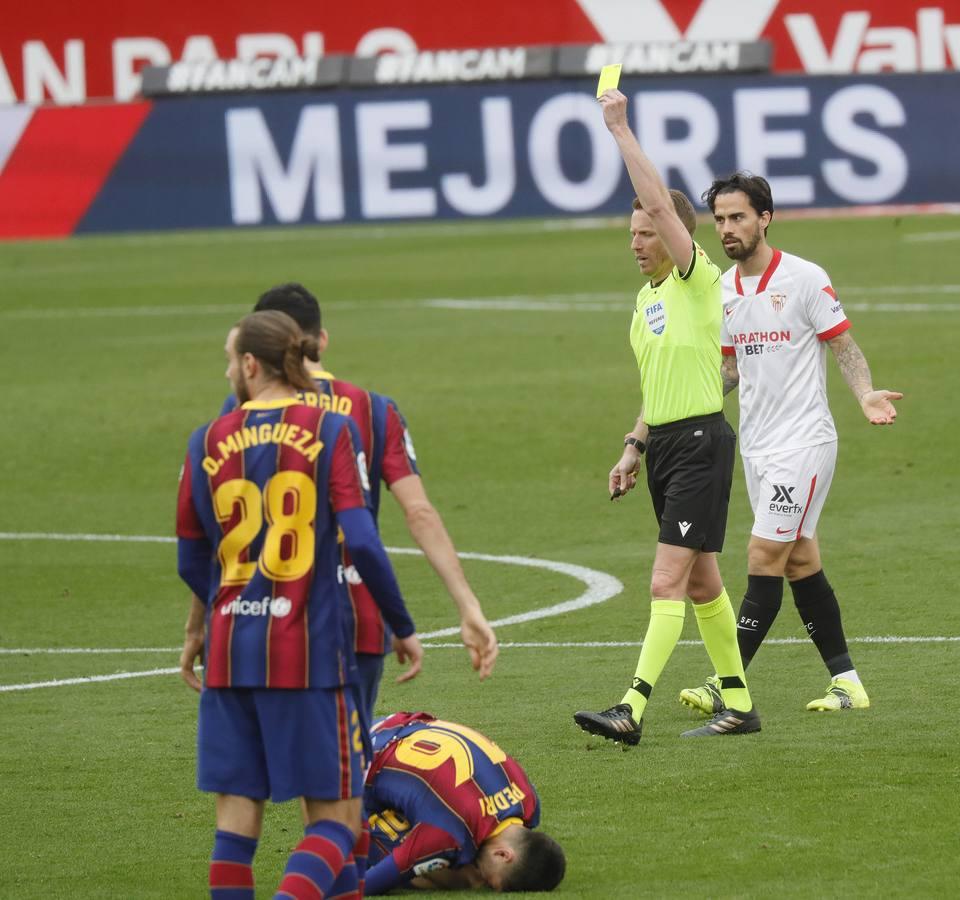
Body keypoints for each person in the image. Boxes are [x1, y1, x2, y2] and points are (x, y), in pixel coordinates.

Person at [176, 310, 425, 899]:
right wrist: (401, 623)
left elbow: (191, 556)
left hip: (231, 649)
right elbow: (361, 540)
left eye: (229, 358)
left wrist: (221, 608)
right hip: (308, 650)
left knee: (235, 827)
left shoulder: (206, 438)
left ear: (250, 364)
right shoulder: (328, 429)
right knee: (336, 818)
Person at [572, 88, 758, 744]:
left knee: (666, 580)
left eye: (647, 231)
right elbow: (660, 388)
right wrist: (633, 446)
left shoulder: (694, 277)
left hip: (704, 443)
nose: (637, 242)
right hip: (671, 448)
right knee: (704, 582)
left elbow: (657, 197)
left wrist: (620, 130)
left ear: (674, 234)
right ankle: (738, 703)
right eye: (632, 234)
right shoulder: (644, 303)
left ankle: (632, 706)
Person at [679, 172, 903, 715]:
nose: (727, 229)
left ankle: (725, 682)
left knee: (763, 556)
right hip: (756, 446)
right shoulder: (725, 289)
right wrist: (690, 405)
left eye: (737, 217)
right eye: (720, 220)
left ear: (765, 218)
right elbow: (732, 368)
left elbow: (842, 346)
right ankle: (847, 683)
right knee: (800, 562)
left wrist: (866, 393)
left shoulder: (804, 278)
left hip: (803, 443)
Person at [224, 282, 499, 722]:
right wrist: (468, 605)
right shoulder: (372, 409)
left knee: (255, 775)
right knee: (342, 769)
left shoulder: (237, 416)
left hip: (261, 615)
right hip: (356, 613)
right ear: (322, 339)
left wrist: (200, 625)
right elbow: (419, 512)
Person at [361, 711, 565, 893]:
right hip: (352, 761)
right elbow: (365, 884)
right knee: (457, 876)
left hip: (397, 726)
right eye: (490, 882)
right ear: (503, 854)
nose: (484, 881)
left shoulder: (529, 801)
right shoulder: (449, 833)